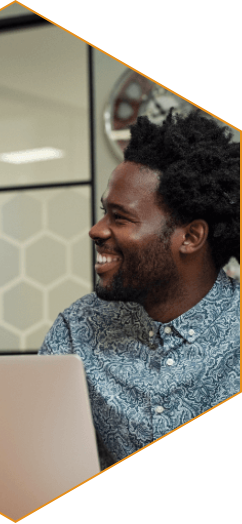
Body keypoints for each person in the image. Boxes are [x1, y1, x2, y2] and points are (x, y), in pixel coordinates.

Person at [39, 110, 240, 470]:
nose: (96, 230)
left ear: (191, 237)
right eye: (104, 213)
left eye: (120, 217)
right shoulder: (77, 330)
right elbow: (40, 458)